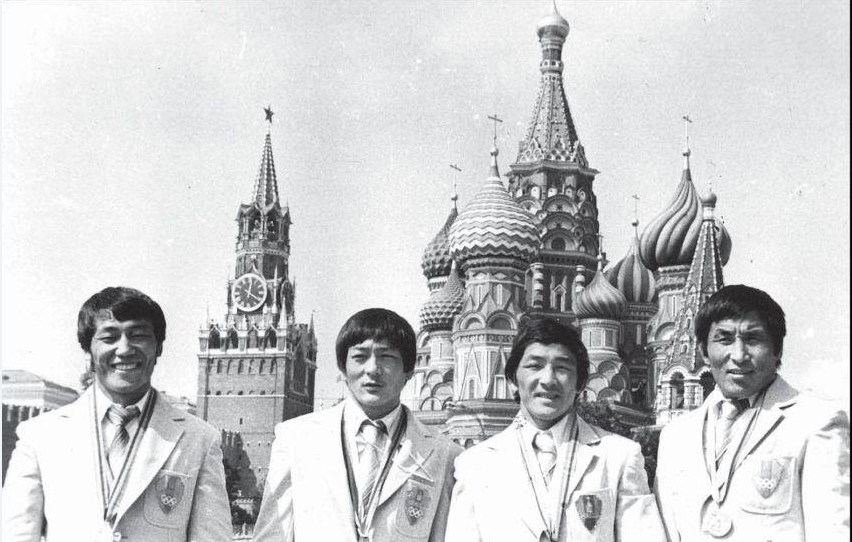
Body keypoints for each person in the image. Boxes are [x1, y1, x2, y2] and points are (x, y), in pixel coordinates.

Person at [2, 286, 231, 542]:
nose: (124, 349)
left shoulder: (199, 440)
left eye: (138, 335)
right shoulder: (40, 437)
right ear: (88, 350)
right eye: (109, 337)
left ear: (158, 348)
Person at [654, 284, 850, 541]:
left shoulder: (815, 423)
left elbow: (832, 531)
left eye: (753, 339)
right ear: (703, 351)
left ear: (777, 349)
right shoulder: (676, 435)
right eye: (724, 339)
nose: (738, 355)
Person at [446, 316, 666, 542]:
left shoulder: (618, 456)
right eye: (534, 366)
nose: (548, 379)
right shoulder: (475, 465)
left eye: (562, 367)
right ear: (512, 379)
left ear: (580, 383)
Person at [253, 308, 463, 542]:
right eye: (360, 357)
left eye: (387, 357)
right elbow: (272, 536)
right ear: (343, 368)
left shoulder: (445, 454)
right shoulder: (296, 440)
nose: (372, 369)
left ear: (409, 370)